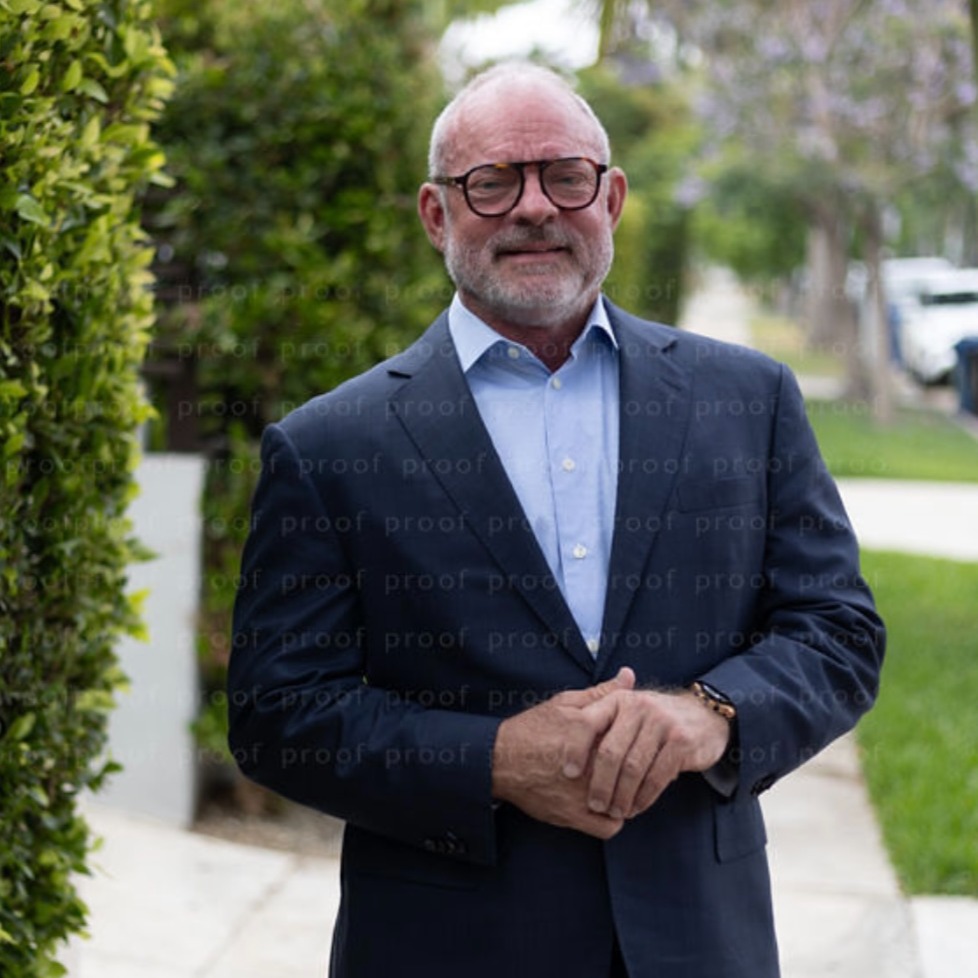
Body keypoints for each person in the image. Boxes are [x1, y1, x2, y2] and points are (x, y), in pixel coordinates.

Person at [227, 62, 885, 978]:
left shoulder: (748, 399)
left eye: (564, 176)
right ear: (435, 215)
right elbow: (279, 713)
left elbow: (839, 629)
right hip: (446, 948)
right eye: (491, 183)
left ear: (610, 197)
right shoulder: (332, 445)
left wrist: (710, 716)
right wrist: (492, 758)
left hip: (698, 942)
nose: (534, 207)